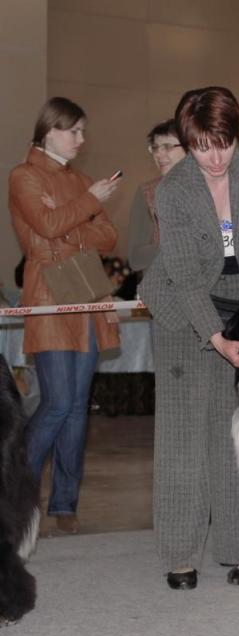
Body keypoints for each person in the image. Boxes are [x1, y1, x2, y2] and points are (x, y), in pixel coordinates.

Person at [138, 86, 239, 590]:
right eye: (203, 145)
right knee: (184, 436)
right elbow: (182, 277)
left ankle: (232, 544)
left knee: (233, 435)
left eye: (223, 142)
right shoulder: (175, 188)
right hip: (185, 311)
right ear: (187, 141)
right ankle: (180, 555)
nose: (215, 156)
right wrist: (216, 339)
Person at [8, 96, 121, 533]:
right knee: (57, 403)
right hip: (51, 296)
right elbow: (44, 228)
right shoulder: (24, 176)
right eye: (74, 130)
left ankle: (64, 504)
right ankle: (16, 493)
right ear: (49, 129)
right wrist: (86, 208)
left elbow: (109, 237)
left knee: (76, 408)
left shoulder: (82, 181)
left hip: (88, 294)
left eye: (82, 131)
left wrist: (72, 221)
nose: (81, 139)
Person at [127, 119, 186, 273]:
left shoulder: (214, 189)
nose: (159, 154)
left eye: (167, 147)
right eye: (155, 148)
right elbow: (135, 258)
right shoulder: (147, 193)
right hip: (163, 290)